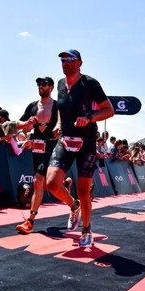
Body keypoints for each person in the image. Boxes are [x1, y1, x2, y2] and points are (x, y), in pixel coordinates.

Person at [46, 49, 114, 248]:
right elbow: (61, 109)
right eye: (62, 60)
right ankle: (72, 205)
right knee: (51, 183)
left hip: (86, 141)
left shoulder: (90, 83)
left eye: (70, 59)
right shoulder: (60, 83)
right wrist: (59, 125)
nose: (65, 63)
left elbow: (110, 110)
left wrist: (90, 118)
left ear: (80, 63)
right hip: (65, 140)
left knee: (84, 189)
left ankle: (86, 229)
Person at [15, 76, 59, 234]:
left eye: (44, 84)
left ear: (51, 87)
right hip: (37, 148)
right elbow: (18, 124)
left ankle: (30, 221)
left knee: (39, 180)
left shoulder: (58, 106)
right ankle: (73, 203)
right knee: (43, 183)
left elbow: (65, 123)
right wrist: (26, 125)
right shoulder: (32, 106)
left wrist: (59, 128)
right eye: (39, 84)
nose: (41, 86)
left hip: (53, 147)